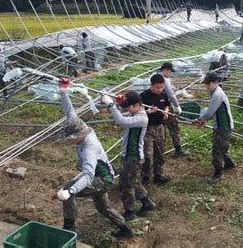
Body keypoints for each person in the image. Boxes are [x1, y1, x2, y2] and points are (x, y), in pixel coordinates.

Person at [54, 79, 133, 238]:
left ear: (77, 136)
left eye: (69, 138)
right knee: (103, 207)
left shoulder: (89, 149)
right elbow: (70, 113)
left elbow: (88, 175)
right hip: (103, 175)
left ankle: (69, 228)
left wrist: (70, 191)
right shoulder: (82, 128)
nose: (67, 141)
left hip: (102, 178)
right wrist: (63, 92)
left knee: (69, 187)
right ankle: (125, 229)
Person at [101, 91, 156, 220]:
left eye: (129, 106)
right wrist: (117, 105)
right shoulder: (136, 113)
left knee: (126, 185)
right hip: (130, 156)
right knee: (133, 181)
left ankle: (130, 211)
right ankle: (147, 202)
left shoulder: (141, 118)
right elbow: (120, 116)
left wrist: (110, 105)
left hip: (133, 157)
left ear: (137, 105)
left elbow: (121, 120)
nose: (127, 109)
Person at [192, 72, 236, 184]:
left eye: (208, 84)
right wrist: (204, 119)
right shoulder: (214, 92)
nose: (206, 86)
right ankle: (229, 163)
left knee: (217, 150)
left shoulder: (217, 94)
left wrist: (200, 119)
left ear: (215, 82)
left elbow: (210, 111)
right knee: (222, 146)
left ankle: (218, 173)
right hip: (221, 124)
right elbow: (213, 112)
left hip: (223, 126)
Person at [140, 74, 171, 185]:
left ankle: (158, 174)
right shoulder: (144, 96)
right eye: (157, 87)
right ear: (151, 85)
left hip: (160, 127)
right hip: (148, 128)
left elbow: (167, 105)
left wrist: (166, 111)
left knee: (160, 152)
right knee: (148, 155)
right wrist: (148, 111)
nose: (159, 90)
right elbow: (138, 112)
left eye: (161, 87)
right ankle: (146, 177)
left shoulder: (163, 94)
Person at [159, 62, 188, 157]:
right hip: (166, 106)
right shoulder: (164, 80)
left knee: (160, 128)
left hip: (157, 106)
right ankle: (178, 149)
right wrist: (177, 105)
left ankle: (160, 151)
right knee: (173, 126)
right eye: (170, 71)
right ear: (166, 70)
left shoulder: (156, 77)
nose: (170, 73)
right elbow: (170, 94)